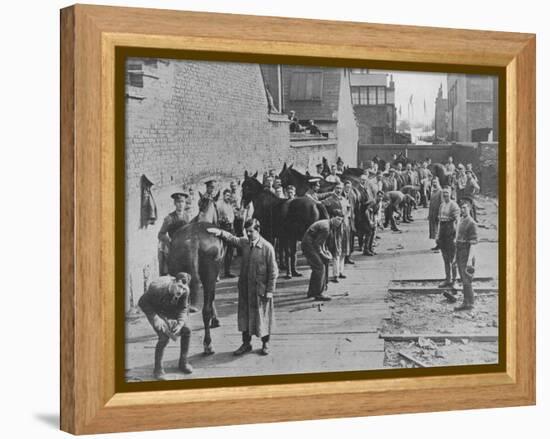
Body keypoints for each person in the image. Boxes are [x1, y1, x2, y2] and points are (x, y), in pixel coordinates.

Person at [206, 219, 278, 356]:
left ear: (258, 230)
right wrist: (219, 232)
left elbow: (274, 271)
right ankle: (246, 343)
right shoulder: (245, 243)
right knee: (245, 317)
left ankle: (265, 343)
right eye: (247, 231)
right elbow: (232, 239)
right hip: (245, 289)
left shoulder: (267, 247)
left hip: (261, 290)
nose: (249, 234)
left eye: (251, 231)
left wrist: (270, 290)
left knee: (263, 317)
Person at [138, 272, 193, 379]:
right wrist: (156, 318)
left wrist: (180, 323)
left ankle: (183, 362)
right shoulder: (157, 288)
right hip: (155, 309)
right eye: (179, 286)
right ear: (173, 282)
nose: (180, 291)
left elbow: (183, 308)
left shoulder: (185, 291)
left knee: (187, 330)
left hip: (171, 308)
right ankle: (158, 369)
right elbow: (142, 302)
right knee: (164, 337)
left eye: (184, 288)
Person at [301, 217, 344, 301]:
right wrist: (324, 255)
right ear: (335, 226)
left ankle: (312, 292)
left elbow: (321, 243)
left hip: (309, 243)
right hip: (309, 245)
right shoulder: (326, 229)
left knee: (317, 268)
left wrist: (325, 252)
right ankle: (318, 294)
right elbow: (318, 244)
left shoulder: (326, 223)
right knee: (320, 268)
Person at [157, 192, 191, 276]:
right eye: (178, 202)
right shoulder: (169, 218)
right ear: (175, 203)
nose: (180, 204)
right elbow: (160, 234)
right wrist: (169, 241)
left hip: (186, 246)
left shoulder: (187, 216)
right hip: (174, 247)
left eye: (182, 202)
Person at [454, 197, 479, 311]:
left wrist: (469, 260)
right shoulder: (461, 221)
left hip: (466, 252)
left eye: (464, 208)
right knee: (463, 278)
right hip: (459, 251)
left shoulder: (472, 223)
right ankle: (466, 301)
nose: (462, 210)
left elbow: (473, 244)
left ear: (469, 208)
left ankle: (470, 303)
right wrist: (455, 257)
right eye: (461, 208)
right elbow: (457, 240)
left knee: (467, 279)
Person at [437, 186, 460, 289]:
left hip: (450, 230)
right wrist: (438, 235)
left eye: (447, 193)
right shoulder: (441, 205)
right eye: (444, 193)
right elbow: (439, 222)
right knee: (445, 257)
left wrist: (456, 236)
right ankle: (448, 279)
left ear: (450, 194)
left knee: (453, 258)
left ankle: (455, 280)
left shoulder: (454, 205)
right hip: (442, 231)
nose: (445, 195)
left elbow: (458, 222)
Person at [217, 189, 237, 278]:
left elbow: (232, 217)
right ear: (223, 195)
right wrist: (221, 220)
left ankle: (227, 271)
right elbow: (217, 217)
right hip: (223, 227)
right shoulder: (219, 205)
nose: (228, 197)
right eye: (226, 195)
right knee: (222, 251)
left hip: (231, 228)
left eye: (229, 196)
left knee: (230, 251)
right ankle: (217, 273)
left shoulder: (230, 206)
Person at [343, 180, 356, 263]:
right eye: (347, 187)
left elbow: (353, 208)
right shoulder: (341, 196)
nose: (348, 189)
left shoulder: (351, 196)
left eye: (349, 187)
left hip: (350, 219)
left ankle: (348, 257)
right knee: (343, 239)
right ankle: (343, 258)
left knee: (351, 238)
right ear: (344, 187)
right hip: (343, 220)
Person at [428, 177, 443, 251]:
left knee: (438, 230)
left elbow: (442, 204)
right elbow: (431, 204)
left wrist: (440, 214)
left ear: (438, 183)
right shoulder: (433, 192)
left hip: (437, 214)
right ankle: (437, 244)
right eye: (433, 183)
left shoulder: (440, 191)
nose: (434, 184)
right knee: (434, 230)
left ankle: (440, 245)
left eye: (435, 182)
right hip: (432, 214)